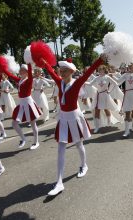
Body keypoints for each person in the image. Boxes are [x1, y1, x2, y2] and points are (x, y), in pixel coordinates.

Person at [41, 55, 105, 196]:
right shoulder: (59, 82)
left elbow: (88, 73)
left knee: (78, 144)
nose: (61, 73)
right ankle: (59, 182)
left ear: (71, 71)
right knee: (61, 148)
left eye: (64, 71)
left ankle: (84, 165)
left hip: (75, 117)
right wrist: (45, 63)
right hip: (63, 118)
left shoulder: (76, 83)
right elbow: (51, 72)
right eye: (60, 70)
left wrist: (100, 60)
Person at [3, 64, 42, 150]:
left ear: (26, 72)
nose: (20, 71)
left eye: (22, 70)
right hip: (21, 103)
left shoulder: (29, 80)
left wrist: (28, 63)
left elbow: (31, 75)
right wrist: (4, 68)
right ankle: (23, 138)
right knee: (14, 123)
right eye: (20, 70)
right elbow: (10, 75)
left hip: (28, 103)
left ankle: (36, 142)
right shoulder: (20, 80)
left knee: (32, 124)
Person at [88, 65, 122, 133]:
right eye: (99, 70)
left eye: (102, 69)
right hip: (98, 95)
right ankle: (97, 127)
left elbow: (115, 83)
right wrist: (82, 82)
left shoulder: (107, 77)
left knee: (106, 109)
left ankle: (109, 121)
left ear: (104, 70)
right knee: (97, 110)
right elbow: (90, 84)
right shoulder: (96, 78)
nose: (100, 71)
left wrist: (109, 91)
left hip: (105, 95)